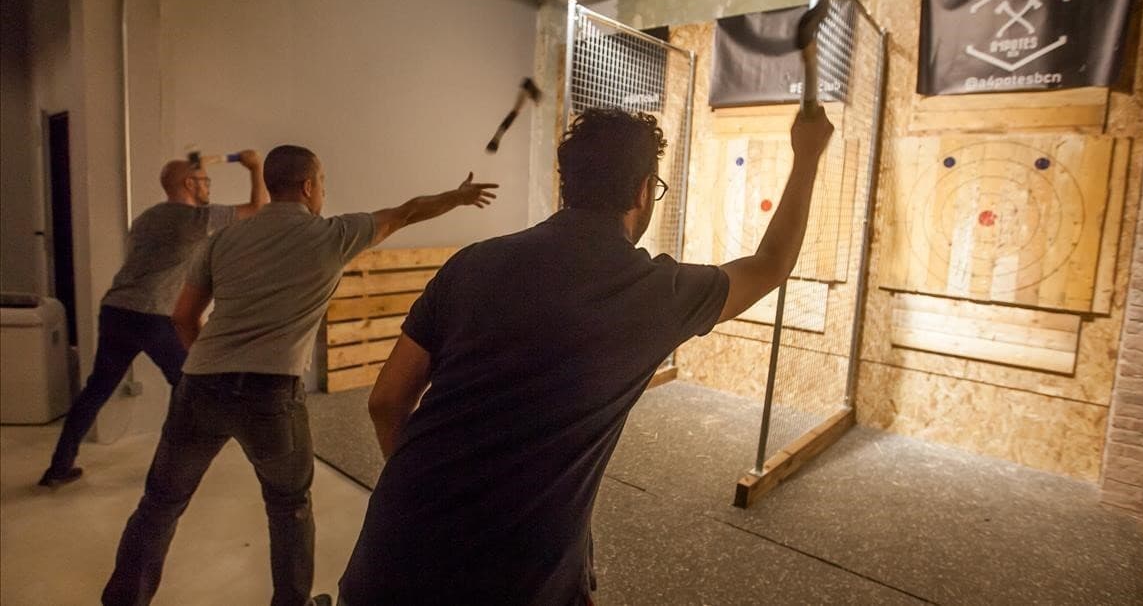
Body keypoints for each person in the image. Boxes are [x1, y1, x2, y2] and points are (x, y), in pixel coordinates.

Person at [337, 105, 834, 604]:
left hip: (388, 557)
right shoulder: (655, 293)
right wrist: (807, 157)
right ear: (643, 191)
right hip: (516, 580)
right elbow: (769, 265)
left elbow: (385, 400)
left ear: (567, 184)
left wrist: (423, 493)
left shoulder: (471, 262)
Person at [100, 144, 498, 606]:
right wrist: (459, 195)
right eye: (323, 182)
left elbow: (184, 316)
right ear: (309, 186)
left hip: (199, 385)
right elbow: (408, 212)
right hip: (271, 395)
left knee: (160, 504)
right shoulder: (333, 235)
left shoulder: (224, 239)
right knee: (289, 507)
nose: (323, 191)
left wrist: (209, 365)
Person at [40, 152, 267, 488]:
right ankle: (170, 471)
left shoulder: (146, 218)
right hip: (152, 316)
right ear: (189, 184)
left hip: (117, 310)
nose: (208, 187)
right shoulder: (192, 219)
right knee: (189, 388)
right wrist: (256, 167)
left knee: (97, 389)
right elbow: (258, 210)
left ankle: (59, 467)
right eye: (205, 182)